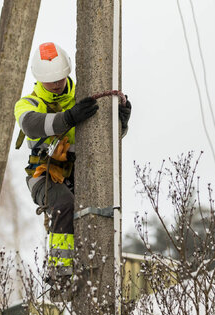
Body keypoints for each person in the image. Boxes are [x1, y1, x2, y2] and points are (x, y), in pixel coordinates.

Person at [14, 42, 131, 287]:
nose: (56, 84)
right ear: (39, 79)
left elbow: (100, 145)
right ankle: (60, 271)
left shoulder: (82, 99)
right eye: (50, 80)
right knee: (64, 204)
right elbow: (30, 125)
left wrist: (119, 124)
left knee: (98, 210)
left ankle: (96, 265)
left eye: (60, 77)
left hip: (79, 174)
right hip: (44, 175)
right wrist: (68, 118)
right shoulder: (30, 104)